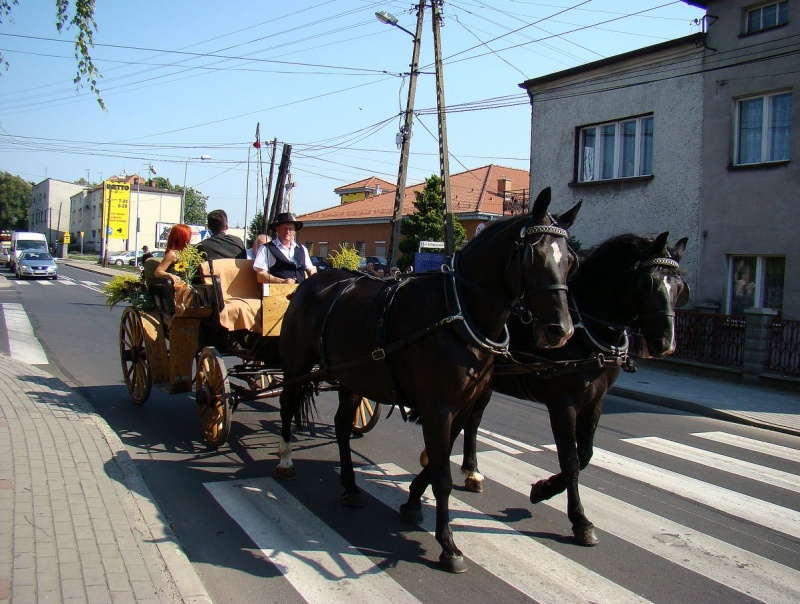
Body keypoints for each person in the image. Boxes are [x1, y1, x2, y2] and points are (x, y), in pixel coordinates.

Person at [253, 212, 316, 284]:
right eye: (284, 228)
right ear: (277, 229)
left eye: (290, 229)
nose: (287, 232)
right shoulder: (265, 249)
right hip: (277, 292)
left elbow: (310, 269)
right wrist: (282, 281)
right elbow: (261, 275)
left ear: (294, 231)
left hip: (300, 292)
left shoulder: (302, 249)